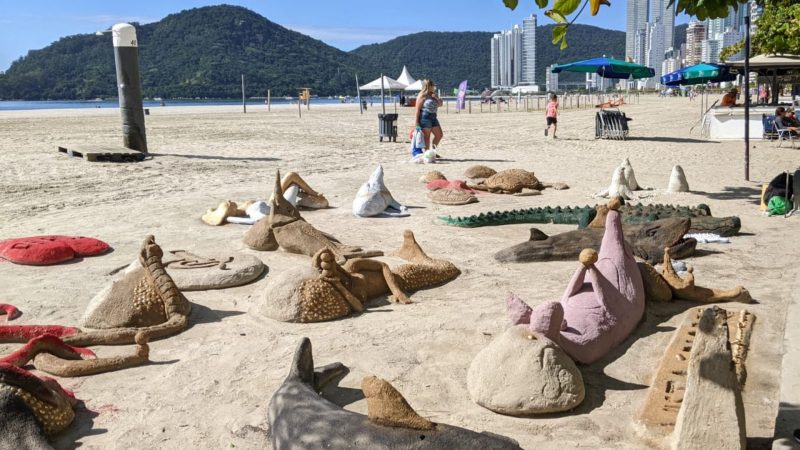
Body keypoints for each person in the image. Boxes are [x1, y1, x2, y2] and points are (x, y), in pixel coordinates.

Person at [414, 79, 444, 154]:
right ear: (428, 86)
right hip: (425, 117)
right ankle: (427, 153)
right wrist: (417, 122)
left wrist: (436, 98)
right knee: (427, 137)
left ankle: (433, 151)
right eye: (432, 85)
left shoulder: (433, 94)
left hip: (434, 117)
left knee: (439, 135)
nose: (434, 87)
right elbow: (417, 109)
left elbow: (440, 104)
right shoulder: (422, 95)